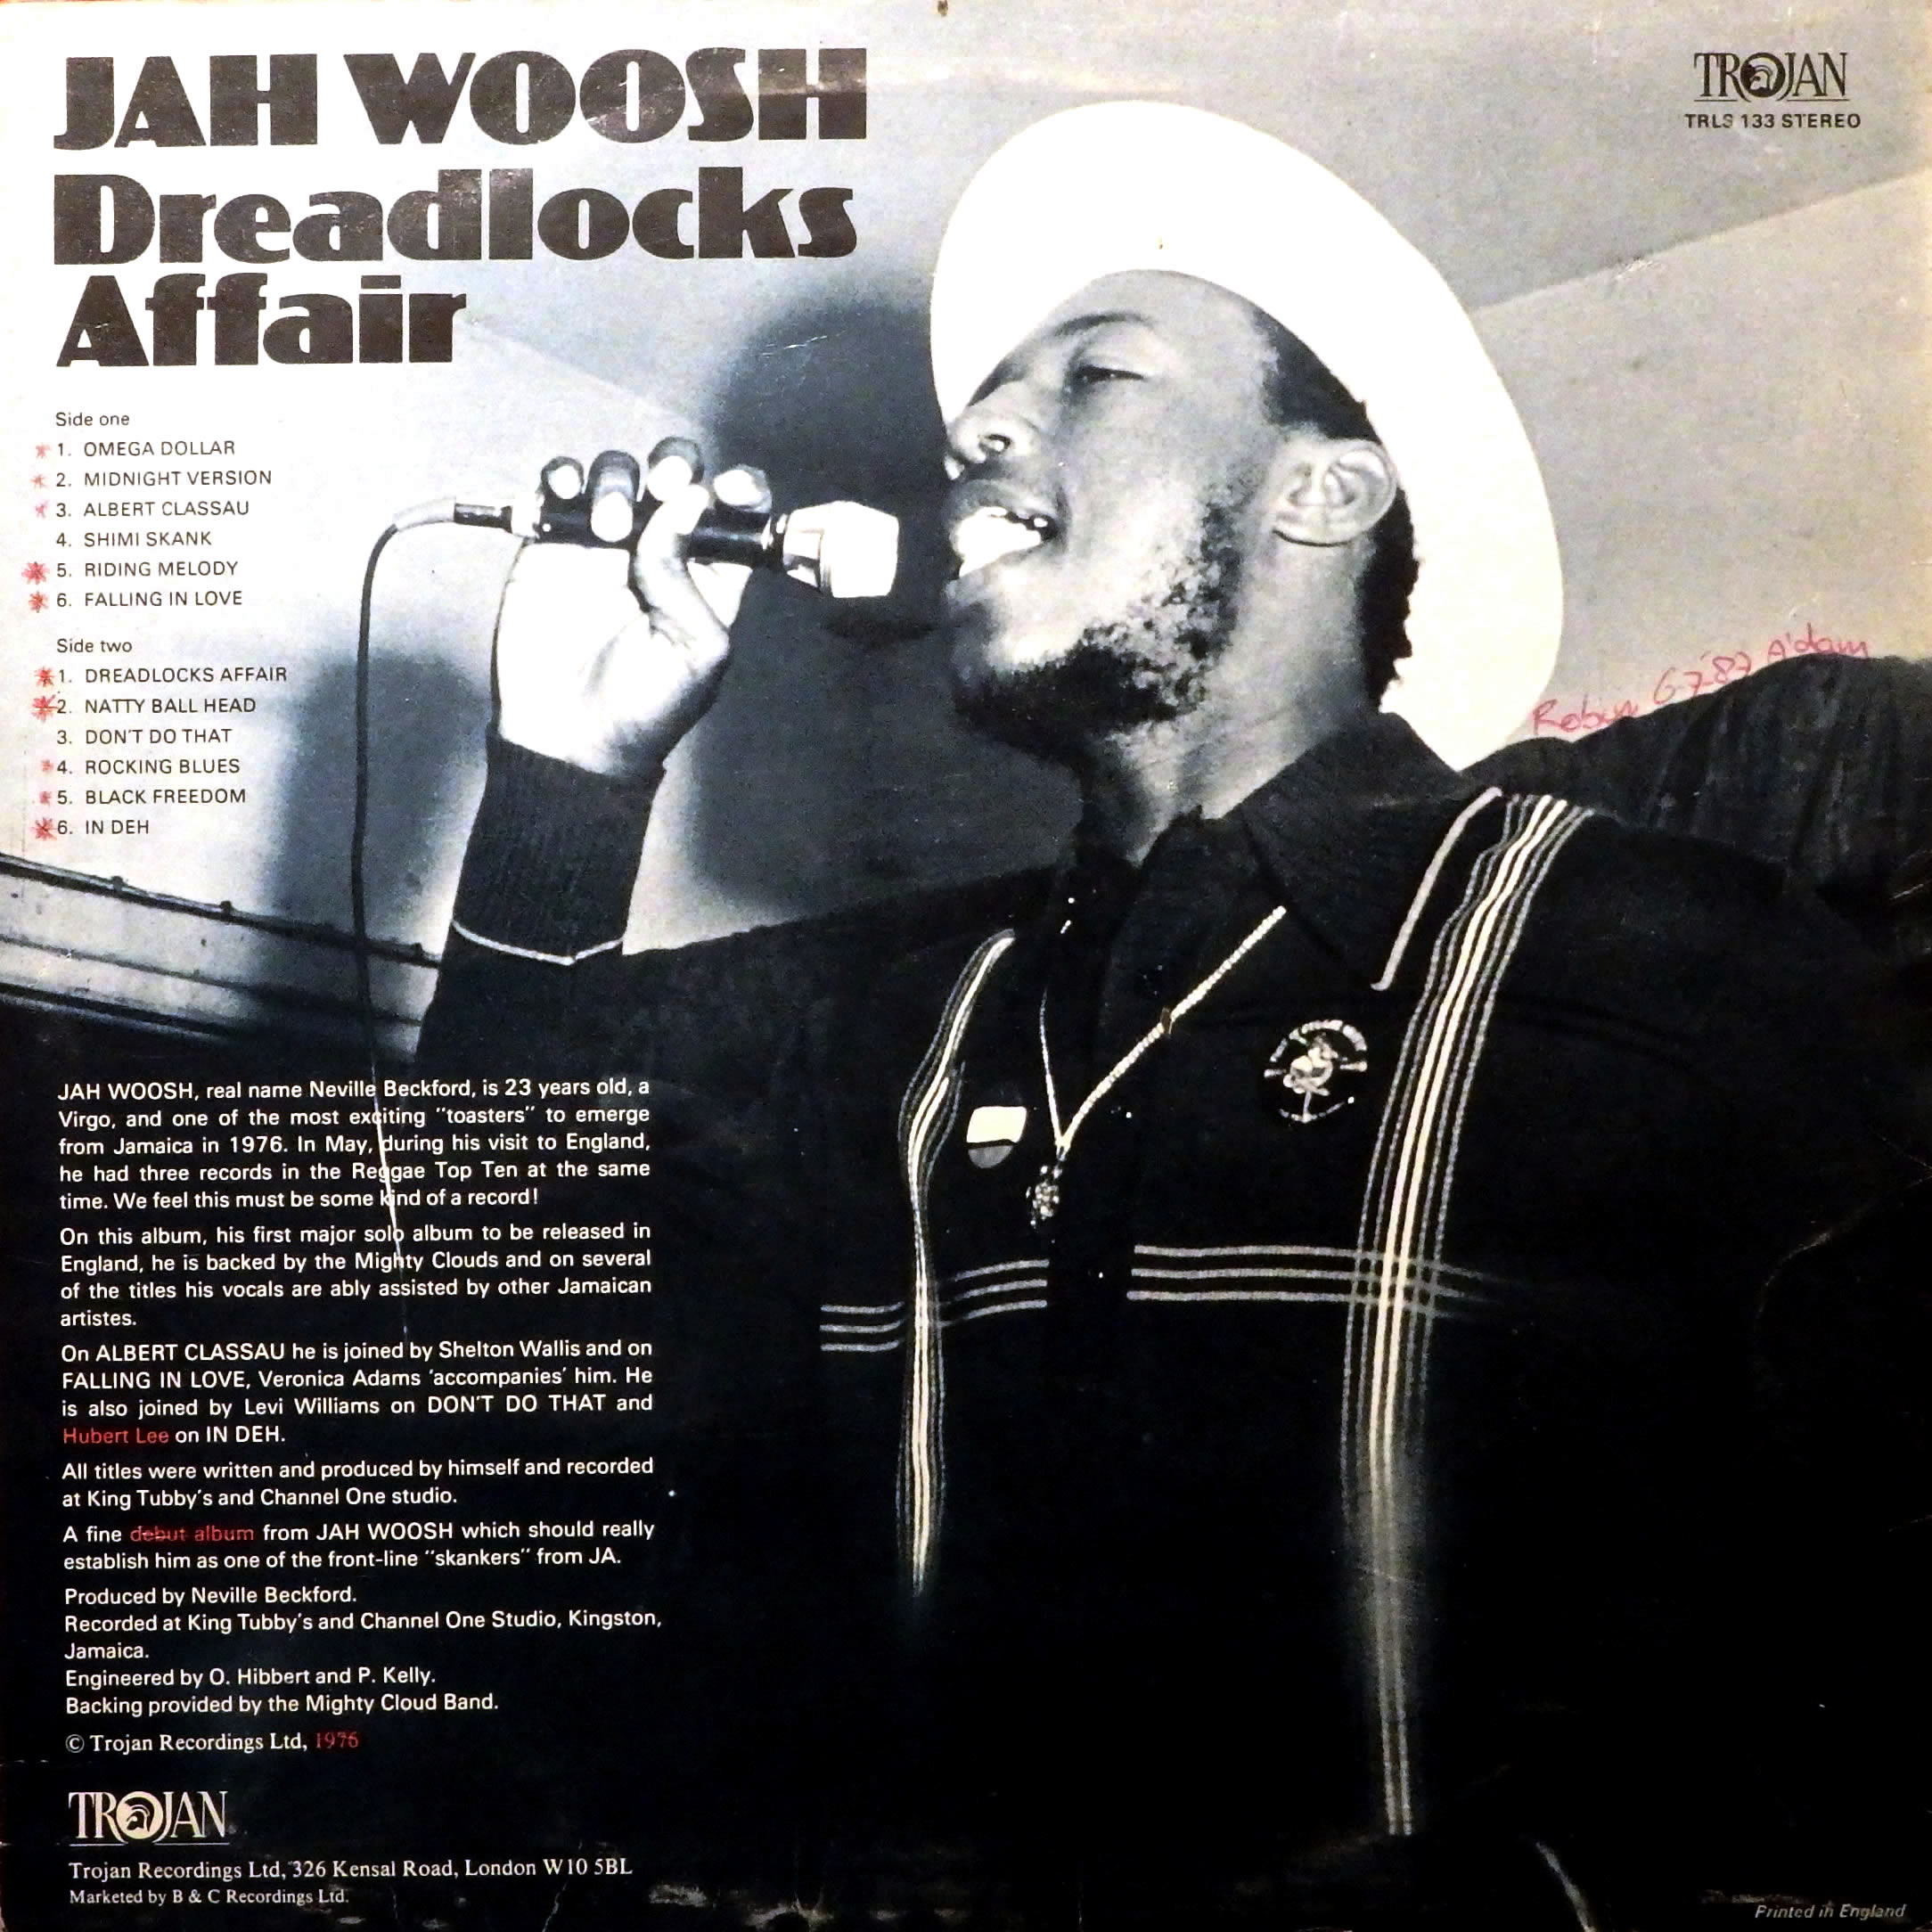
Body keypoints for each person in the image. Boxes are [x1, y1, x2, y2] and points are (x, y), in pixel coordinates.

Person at [422, 106, 1926, 1929]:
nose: (976, 429)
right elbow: (483, 1316)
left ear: (1323, 491)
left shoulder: (1678, 950)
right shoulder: (899, 1026)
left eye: (1098, 371)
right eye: (988, 394)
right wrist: (567, 773)